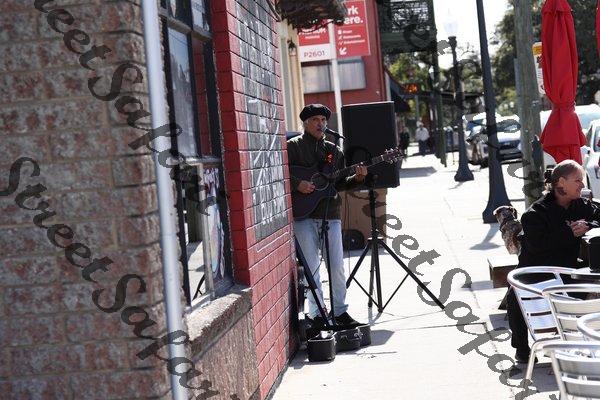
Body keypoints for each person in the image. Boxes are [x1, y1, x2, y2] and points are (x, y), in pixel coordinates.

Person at [506, 160, 600, 362]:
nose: (582, 185)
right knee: (515, 294)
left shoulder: (580, 205)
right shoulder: (535, 214)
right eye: (577, 180)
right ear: (561, 182)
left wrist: (589, 225)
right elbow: (539, 245)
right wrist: (569, 232)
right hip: (537, 274)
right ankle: (522, 348)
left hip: (567, 270)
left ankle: (584, 339)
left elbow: (597, 216)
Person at [287, 104, 368, 328]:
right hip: (303, 215)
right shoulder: (293, 147)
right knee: (311, 267)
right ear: (305, 123)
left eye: (323, 120)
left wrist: (358, 179)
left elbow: (339, 184)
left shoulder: (334, 151)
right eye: (315, 120)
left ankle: (340, 312)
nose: (320, 124)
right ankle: (318, 315)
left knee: (336, 266)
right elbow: (280, 173)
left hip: (330, 213)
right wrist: (297, 184)